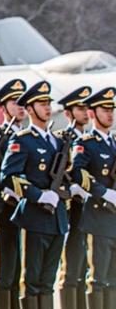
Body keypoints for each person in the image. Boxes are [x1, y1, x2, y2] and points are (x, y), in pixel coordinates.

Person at [1, 81, 70, 308]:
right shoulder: (22, 139)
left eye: (48, 103)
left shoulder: (58, 141)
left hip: (57, 218)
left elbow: (67, 176)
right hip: (34, 216)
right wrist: (38, 195)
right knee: (31, 280)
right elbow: (9, 176)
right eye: (42, 103)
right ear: (30, 109)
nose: (48, 107)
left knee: (47, 281)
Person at [70, 87, 116, 309]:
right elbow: (77, 173)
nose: (110, 114)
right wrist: (105, 193)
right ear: (92, 113)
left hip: (114, 219)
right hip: (98, 217)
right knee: (97, 279)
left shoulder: (114, 143)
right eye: (104, 110)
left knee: (114, 281)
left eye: (112, 110)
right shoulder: (86, 143)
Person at [0, 79, 28, 309]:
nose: (21, 106)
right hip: (6, 210)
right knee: (5, 271)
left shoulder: (30, 137)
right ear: (3, 108)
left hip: (31, 210)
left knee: (25, 272)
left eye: (23, 102)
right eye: (15, 102)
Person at [55, 86, 91, 309]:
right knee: (70, 270)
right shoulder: (61, 140)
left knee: (87, 269)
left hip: (92, 212)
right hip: (71, 211)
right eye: (80, 108)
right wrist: (72, 189)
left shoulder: (90, 140)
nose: (85, 112)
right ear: (68, 113)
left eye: (87, 108)